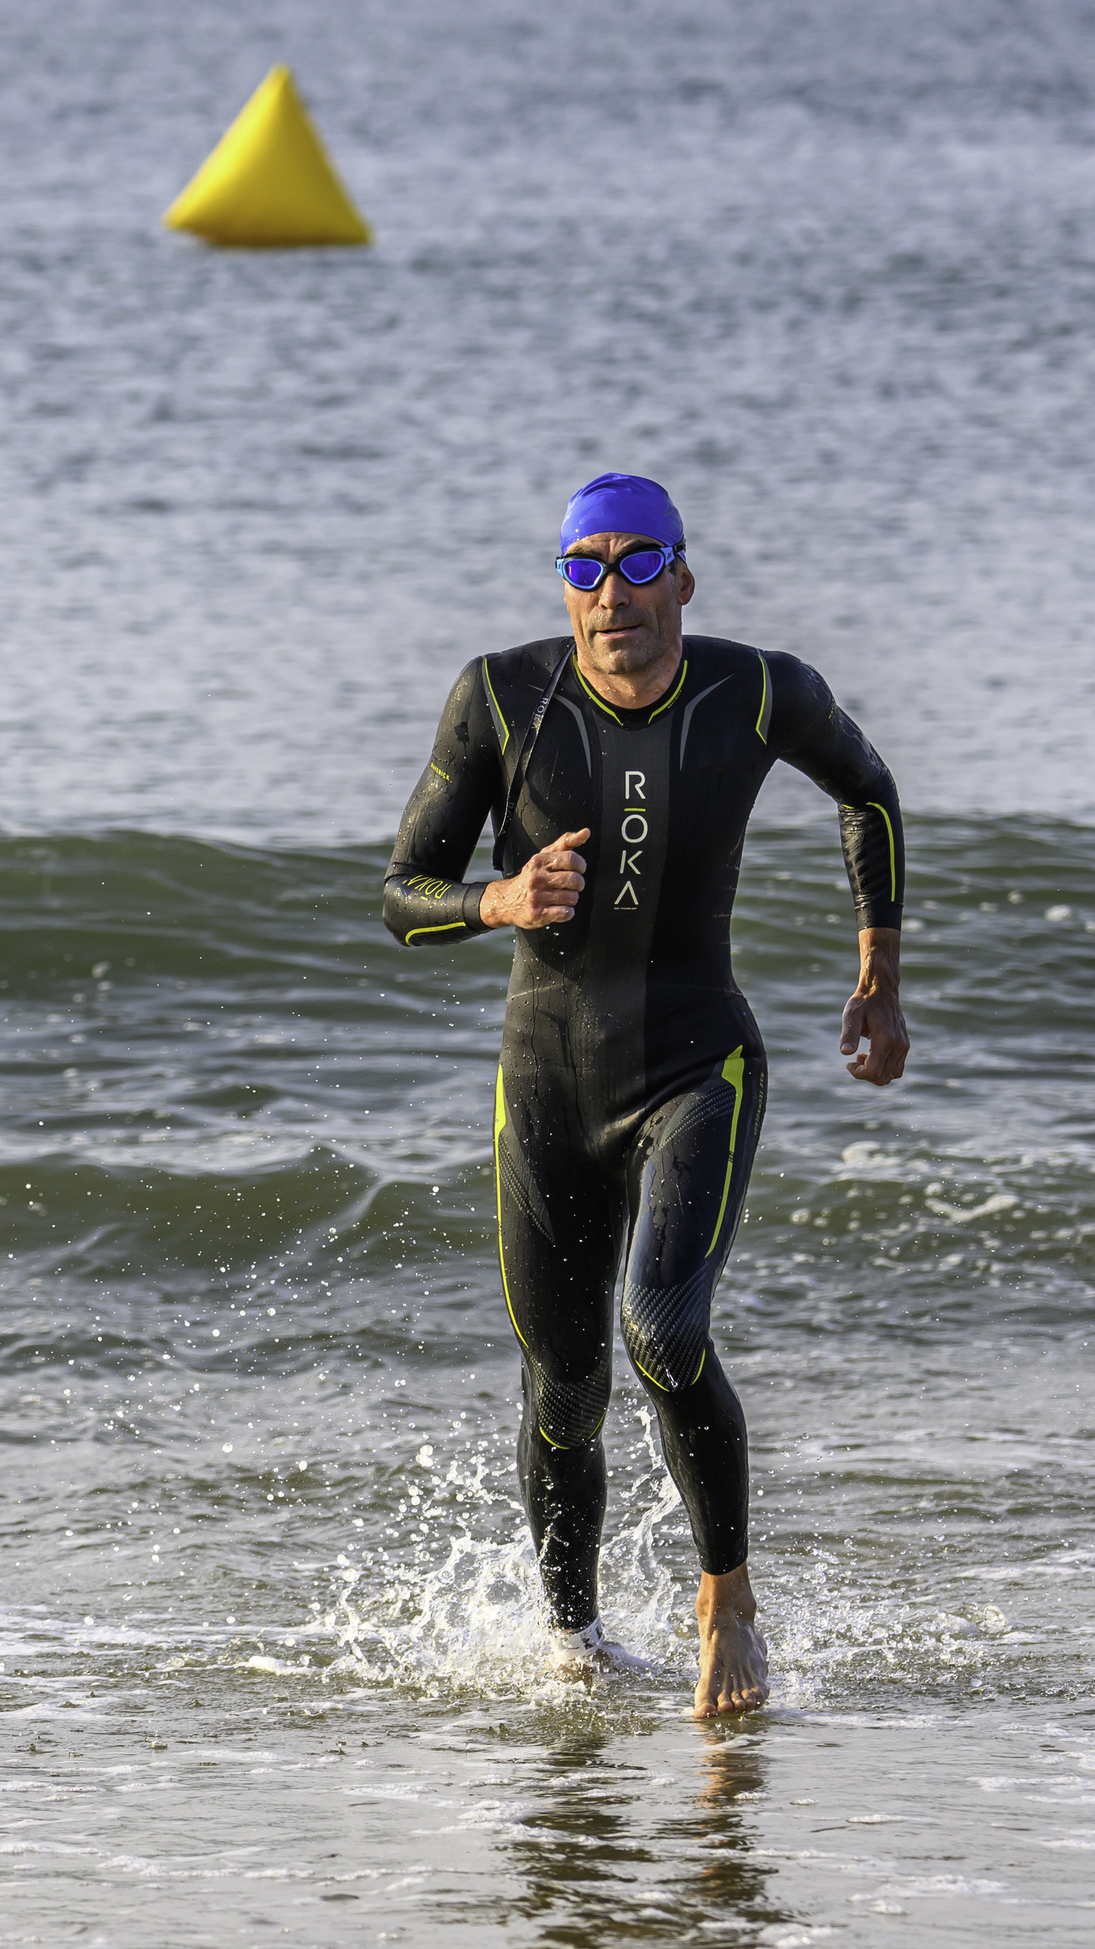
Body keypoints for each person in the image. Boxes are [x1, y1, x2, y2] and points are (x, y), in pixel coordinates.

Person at [383, 474, 909, 1713]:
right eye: (583, 566)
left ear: (683, 576)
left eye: (636, 563)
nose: (609, 593)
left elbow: (869, 792)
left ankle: (726, 1598)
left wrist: (878, 978)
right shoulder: (500, 697)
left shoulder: (756, 688)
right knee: (562, 1392)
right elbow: (403, 891)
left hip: (696, 1066)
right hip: (546, 1081)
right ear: (562, 582)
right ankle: (575, 1646)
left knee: (663, 1329)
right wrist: (495, 901)